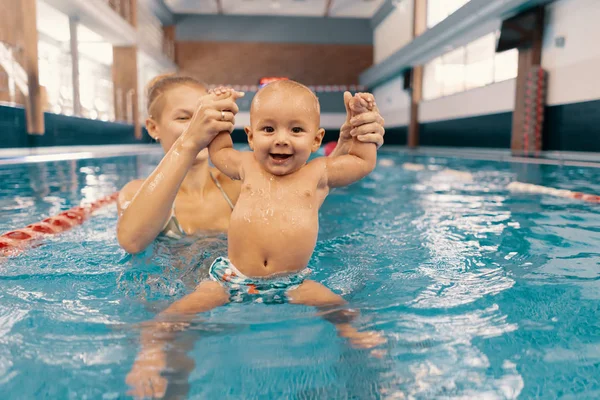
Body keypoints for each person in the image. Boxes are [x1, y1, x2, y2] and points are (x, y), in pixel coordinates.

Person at [116, 75, 386, 252]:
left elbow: (305, 188)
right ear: (153, 127)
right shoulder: (135, 193)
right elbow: (131, 241)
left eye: (205, 116)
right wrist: (189, 142)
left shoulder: (241, 184)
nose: (199, 126)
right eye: (185, 118)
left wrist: (351, 142)